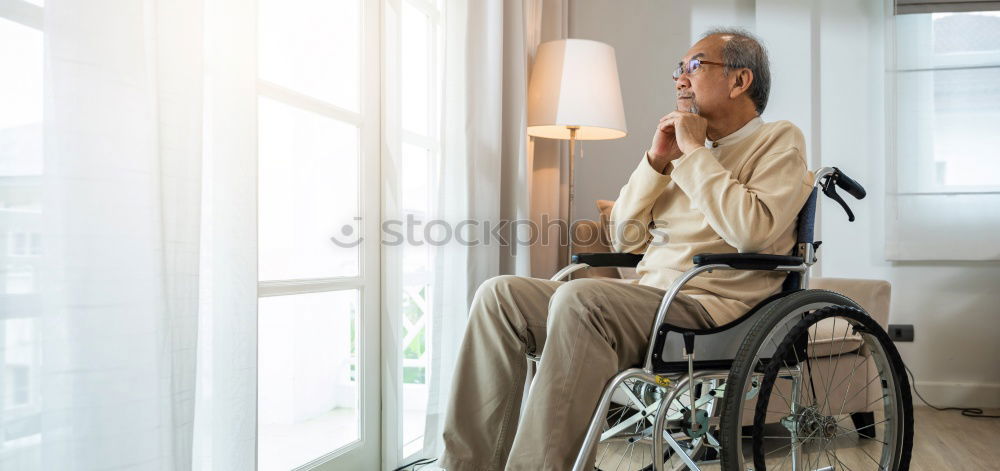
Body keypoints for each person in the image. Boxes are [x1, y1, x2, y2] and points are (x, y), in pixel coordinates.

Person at [437, 27, 813, 470]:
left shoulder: (779, 140)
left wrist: (693, 153)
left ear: (739, 81)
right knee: (499, 296)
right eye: (679, 69)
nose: (679, 80)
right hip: (652, 301)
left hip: (715, 310)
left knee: (583, 299)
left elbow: (752, 231)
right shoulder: (680, 152)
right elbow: (626, 238)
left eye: (694, 66)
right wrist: (656, 162)